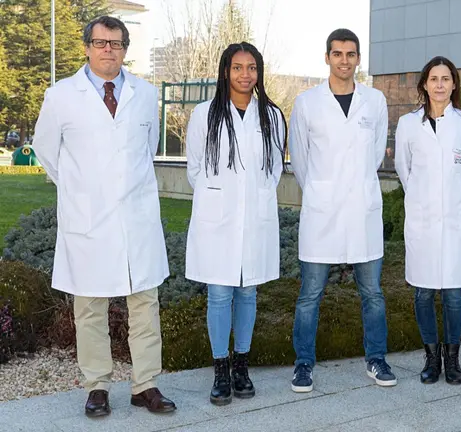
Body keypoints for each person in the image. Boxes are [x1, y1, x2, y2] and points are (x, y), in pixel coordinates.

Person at [32, 16, 175, 417]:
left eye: (116, 43)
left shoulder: (145, 94)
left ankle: (145, 384)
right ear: (87, 47)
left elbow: (146, 148)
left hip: (136, 218)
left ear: (125, 49)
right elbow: (46, 151)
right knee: (90, 307)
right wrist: (82, 191)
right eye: (100, 42)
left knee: (144, 303)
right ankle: (97, 386)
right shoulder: (61, 95)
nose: (108, 50)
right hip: (88, 220)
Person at [288, 28, 395, 392]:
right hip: (322, 213)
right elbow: (299, 159)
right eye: (337, 54)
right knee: (310, 295)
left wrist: (352, 186)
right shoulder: (307, 102)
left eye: (350, 54)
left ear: (358, 59)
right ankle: (303, 364)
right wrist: (321, 191)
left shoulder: (374, 101)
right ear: (327, 57)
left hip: (362, 210)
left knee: (373, 294)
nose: (344, 60)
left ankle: (376, 359)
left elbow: (375, 153)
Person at [185, 42, 286, 406]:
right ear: (225, 71)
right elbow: (195, 168)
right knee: (219, 294)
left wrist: (255, 195)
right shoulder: (204, 114)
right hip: (218, 219)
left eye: (252, 67)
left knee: (247, 292)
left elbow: (275, 168)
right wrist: (217, 196)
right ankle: (220, 370)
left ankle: (242, 366)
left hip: (254, 217)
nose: (245, 74)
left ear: (259, 72)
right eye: (238, 67)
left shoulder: (271, 115)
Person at [394, 56, 461, 385]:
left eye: (446, 79)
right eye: (434, 79)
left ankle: (452, 360)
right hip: (423, 221)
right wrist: (423, 199)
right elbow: (404, 169)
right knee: (423, 293)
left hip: (455, 220)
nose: (440, 84)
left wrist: (451, 199)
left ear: (454, 84)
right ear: (425, 84)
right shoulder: (408, 124)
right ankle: (431, 358)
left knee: (454, 295)